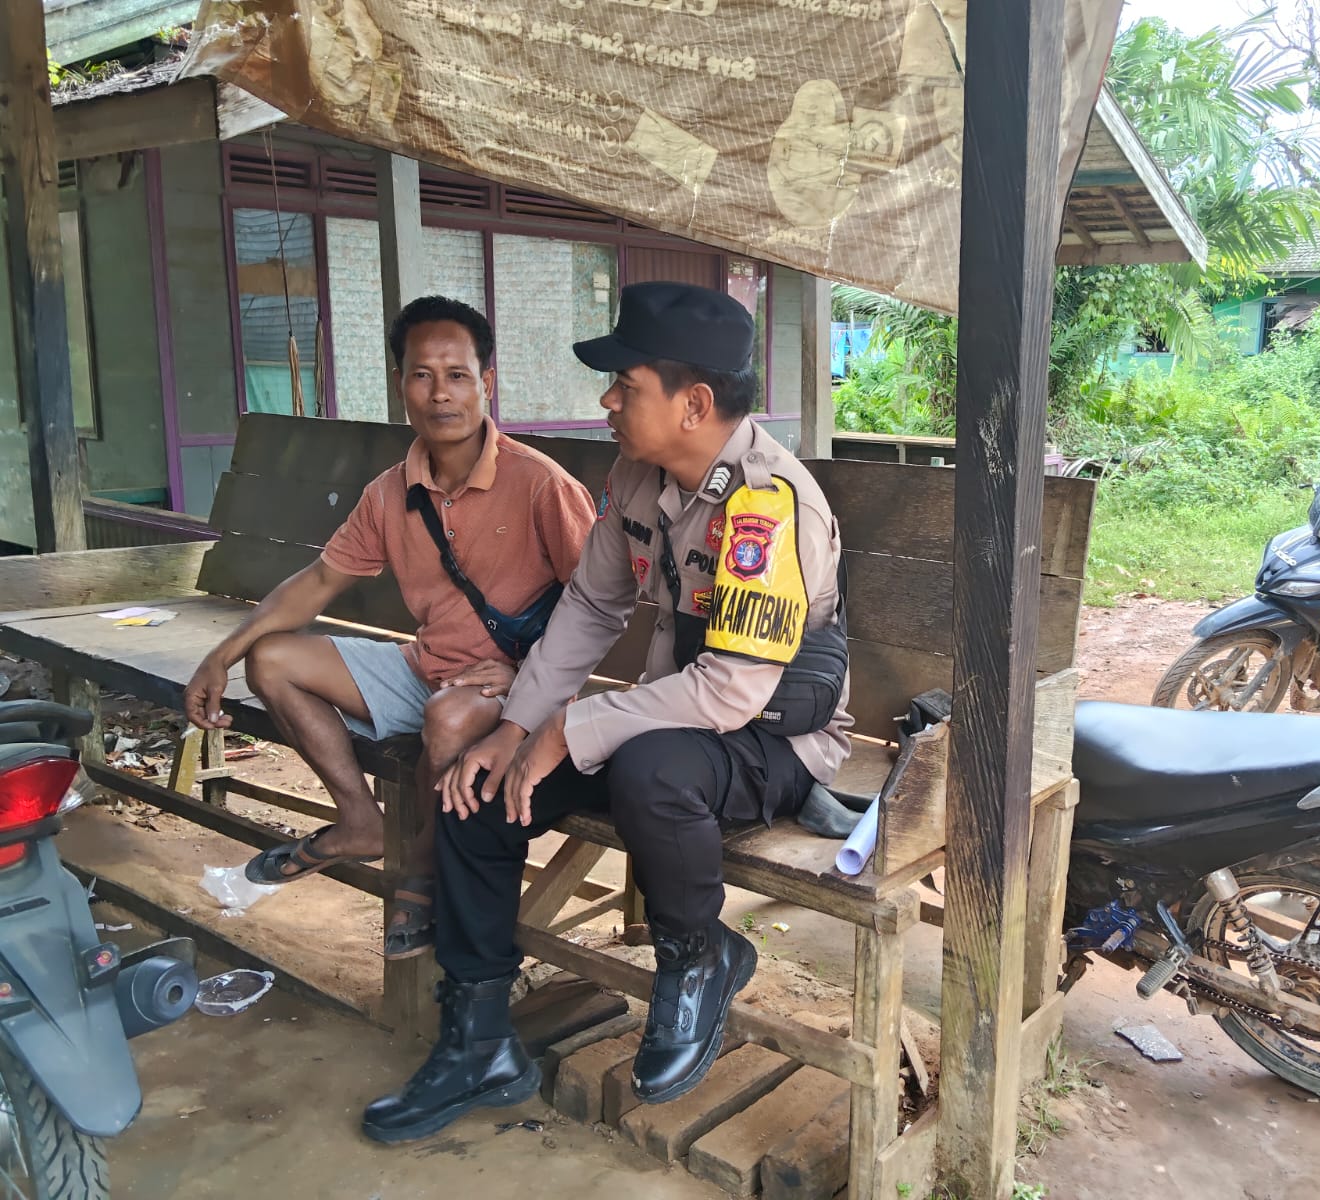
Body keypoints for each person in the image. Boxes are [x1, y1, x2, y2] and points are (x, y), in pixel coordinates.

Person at [361, 282, 852, 1145]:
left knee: (649, 769)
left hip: (771, 737)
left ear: (693, 404)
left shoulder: (766, 505)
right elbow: (590, 605)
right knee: (477, 787)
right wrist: (516, 729)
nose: (607, 402)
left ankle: (699, 954)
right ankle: (478, 1040)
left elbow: (732, 692)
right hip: (668, 717)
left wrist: (567, 729)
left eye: (625, 385)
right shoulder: (637, 475)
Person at [182, 295, 594, 960]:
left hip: (518, 693)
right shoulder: (389, 492)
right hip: (424, 670)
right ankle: (358, 820)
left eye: (457, 375)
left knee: (448, 719)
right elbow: (317, 583)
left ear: (487, 383)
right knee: (273, 660)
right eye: (422, 375)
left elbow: (599, 607)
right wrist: (222, 655)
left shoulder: (542, 486)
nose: (440, 394)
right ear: (401, 384)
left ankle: (423, 870)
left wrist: (526, 672)